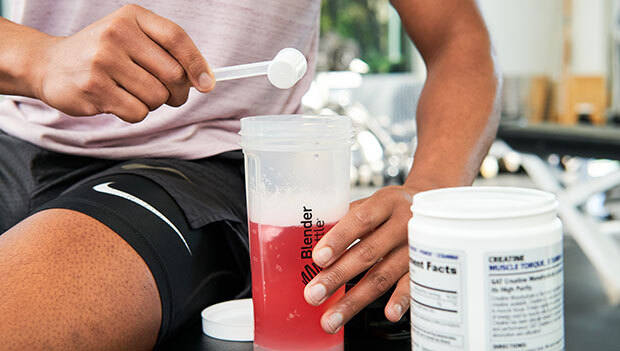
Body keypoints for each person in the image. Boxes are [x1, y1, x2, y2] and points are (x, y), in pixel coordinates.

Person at [0, 0, 500, 349]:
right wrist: (36, 57)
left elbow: (460, 42)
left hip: (196, 165)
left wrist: (431, 196)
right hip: (13, 136)